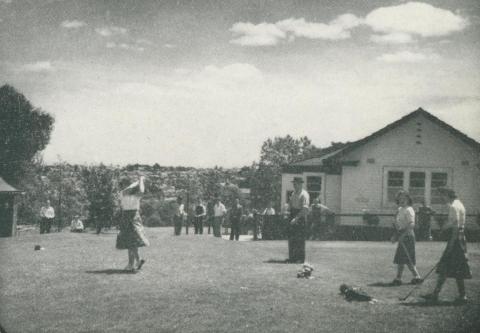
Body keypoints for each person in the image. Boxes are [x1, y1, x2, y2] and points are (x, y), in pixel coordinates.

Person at [421, 189, 472, 303]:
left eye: (442, 196)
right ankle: (436, 294)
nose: (442, 198)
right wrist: (443, 229)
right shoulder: (459, 204)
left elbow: (455, 227)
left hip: (456, 239)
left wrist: (451, 244)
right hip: (459, 238)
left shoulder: (454, 206)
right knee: (445, 267)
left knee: (455, 267)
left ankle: (462, 295)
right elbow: (452, 223)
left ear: (447, 195)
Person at [116, 176, 149, 272]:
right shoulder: (136, 196)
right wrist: (141, 180)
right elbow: (141, 190)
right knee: (133, 241)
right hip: (136, 216)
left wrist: (139, 180)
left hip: (127, 217)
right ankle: (132, 263)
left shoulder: (122, 194)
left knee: (130, 241)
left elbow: (129, 188)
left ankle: (135, 262)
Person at [391, 191, 422, 285]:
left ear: (408, 199)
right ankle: (398, 278)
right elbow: (398, 225)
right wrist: (396, 236)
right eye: (400, 198)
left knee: (408, 258)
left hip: (408, 236)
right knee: (400, 258)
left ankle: (417, 276)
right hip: (402, 235)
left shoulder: (409, 209)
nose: (402, 200)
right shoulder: (400, 209)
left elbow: (411, 224)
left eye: (404, 198)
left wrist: (403, 236)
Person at [287, 177, 310, 263]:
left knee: (299, 239)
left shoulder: (304, 194)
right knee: (292, 238)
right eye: (293, 183)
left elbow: (305, 209)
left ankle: (300, 259)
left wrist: (296, 218)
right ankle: (292, 258)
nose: (294, 185)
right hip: (292, 215)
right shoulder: (293, 193)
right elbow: (290, 205)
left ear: (300, 184)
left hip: (300, 217)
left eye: (295, 183)